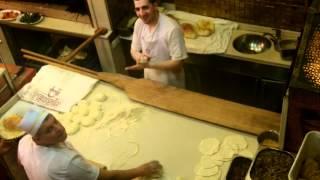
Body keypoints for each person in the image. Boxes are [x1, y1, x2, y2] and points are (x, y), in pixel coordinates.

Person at [12, 107, 162, 180]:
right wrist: (141, 170)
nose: (58, 129)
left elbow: (20, 161)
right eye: (49, 130)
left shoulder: (24, 142)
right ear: (37, 139)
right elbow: (109, 178)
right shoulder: (67, 162)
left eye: (55, 122)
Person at [126, 0, 188, 88]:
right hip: (150, 80)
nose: (141, 14)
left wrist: (149, 65)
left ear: (155, 5)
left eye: (145, 7)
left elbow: (178, 63)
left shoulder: (172, 28)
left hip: (171, 83)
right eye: (137, 9)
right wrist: (139, 57)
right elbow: (134, 50)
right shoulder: (139, 23)